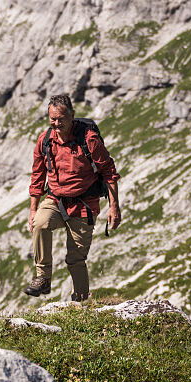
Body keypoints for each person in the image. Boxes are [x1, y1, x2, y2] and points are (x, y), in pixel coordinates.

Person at [26, 94, 120, 301]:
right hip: (56, 200)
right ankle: (43, 278)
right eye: (53, 119)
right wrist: (33, 210)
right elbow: (37, 177)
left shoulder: (89, 140)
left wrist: (114, 207)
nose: (57, 124)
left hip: (84, 205)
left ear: (72, 116)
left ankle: (81, 302)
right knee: (40, 223)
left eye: (61, 118)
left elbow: (109, 172)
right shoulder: (45, 141)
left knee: (75, 259)